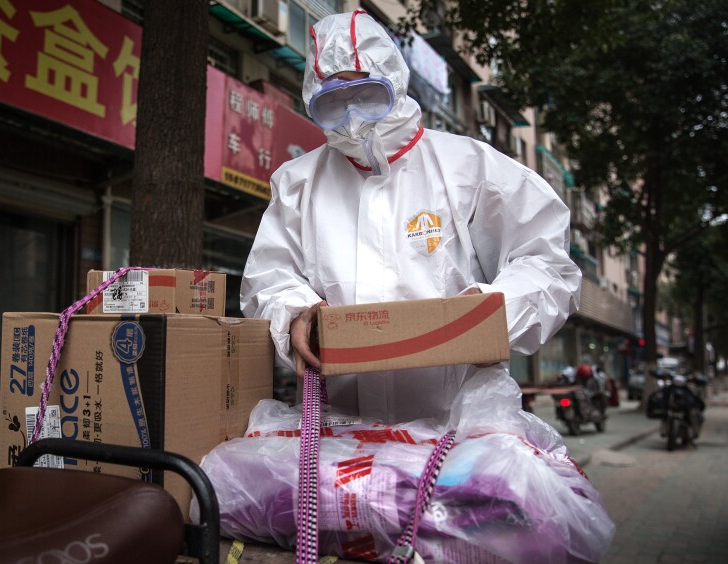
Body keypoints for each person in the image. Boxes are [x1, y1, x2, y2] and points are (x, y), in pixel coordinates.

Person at [240, 10, 581, 424]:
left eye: (366, 94)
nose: (352, 117)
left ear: (395, 85)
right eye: (333, 102)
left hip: (460, 429)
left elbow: (546, 261)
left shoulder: (471, 167)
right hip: (341, 429)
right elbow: (268, 278)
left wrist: (492, 309)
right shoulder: (297, 183)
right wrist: (295, 310)